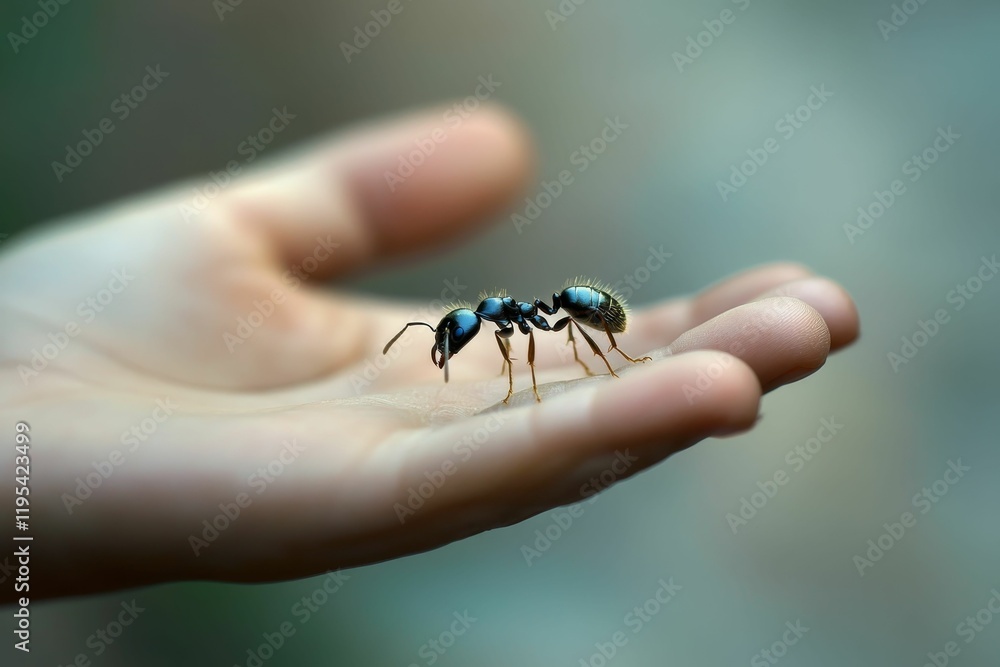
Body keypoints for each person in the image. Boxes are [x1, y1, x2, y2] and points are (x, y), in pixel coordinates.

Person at [0, 106, 858, 601]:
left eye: (455, 335)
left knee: (569, 348)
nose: (455, 340)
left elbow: (539, 334)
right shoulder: (497, 322)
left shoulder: (521, 321)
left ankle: (612, 365)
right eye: (454, 337)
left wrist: (608, 354)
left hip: (590, 314)